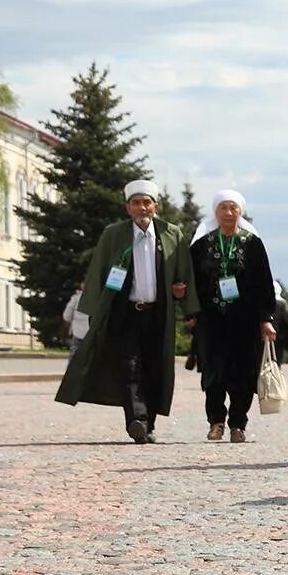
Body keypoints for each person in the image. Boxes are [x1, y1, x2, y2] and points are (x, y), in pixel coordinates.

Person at [56, 179, 199, 443]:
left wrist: (185, 298)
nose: (142, 208)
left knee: (155, 367)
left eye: (147, 203)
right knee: (129, 366)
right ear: (128, 208)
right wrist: (91, 311)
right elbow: (98, 270)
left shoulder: (171, 234)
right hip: (125, 312)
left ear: (155, 206)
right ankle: (136, 420)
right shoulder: (114, 234)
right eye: (136, 203)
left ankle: (149, 423)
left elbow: (183, 273)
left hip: (158, 313)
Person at [190, 190, 277, 442]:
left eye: (233, 208)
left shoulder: (252, 243)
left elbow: (263, 283)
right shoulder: (202, 245)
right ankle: (216, 421)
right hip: (211, 318)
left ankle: (238, 423)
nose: (228, 213)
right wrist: (192, 312)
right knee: (213, 372)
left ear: (240, 212)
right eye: (223, 208)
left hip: (245, 319)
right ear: (215, 212)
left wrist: (266, 318)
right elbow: (192, 279)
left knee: (243, 373)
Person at [270, 280, 288, 363]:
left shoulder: (263, 302)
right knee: (277, 358)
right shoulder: (282, 303)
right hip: (279, 336)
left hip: (264, 334)